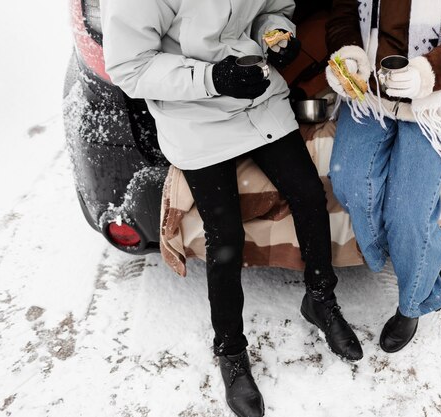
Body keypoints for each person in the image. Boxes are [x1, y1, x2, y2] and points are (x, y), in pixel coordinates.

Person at [101, 1, 362, 416]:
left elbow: (272, 9)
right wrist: (213, 77)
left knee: (309, 195)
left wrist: (274, 36)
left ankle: (319, 297)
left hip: (257, 97)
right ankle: (231, 352)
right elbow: (129, 67)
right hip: (193, 115)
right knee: (225, 235)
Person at [325, 0, 441, 353]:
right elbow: (342, 12)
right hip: (370, 94)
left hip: (437, 99)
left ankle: (414, 302)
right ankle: (416, 266)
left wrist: (427, 74)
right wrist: (347, 54)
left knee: (408, 214)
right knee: (350, 184)